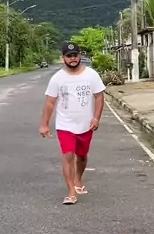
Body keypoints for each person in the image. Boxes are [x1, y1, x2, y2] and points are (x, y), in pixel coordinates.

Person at [39, 41, 106, 205]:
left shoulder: (91, 75)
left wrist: (96, 118)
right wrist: (44, 124)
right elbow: (50, 103)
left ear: (79, 56)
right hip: (65, 125)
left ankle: (78, 178)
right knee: (68, 155)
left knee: (81, 156)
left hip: (86, 125)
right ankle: (71, 191)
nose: (73, 59)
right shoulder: (57, 78)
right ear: (63, 58)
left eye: (75, 55)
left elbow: (99, 97)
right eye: (69, 56)